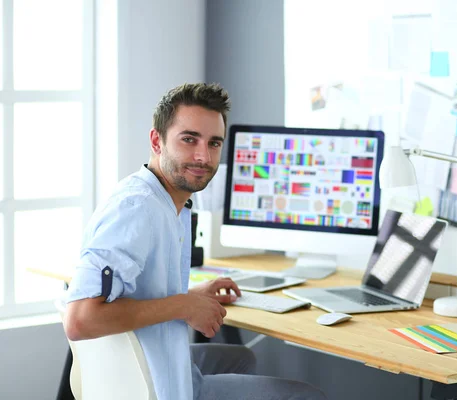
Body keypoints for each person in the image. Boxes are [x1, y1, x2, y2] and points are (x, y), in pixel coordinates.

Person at [64, 83, 327, 400]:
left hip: (147, 364)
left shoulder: (168, 203)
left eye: (214, 143)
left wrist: (189, 296)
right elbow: (80, 320)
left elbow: (134, 291)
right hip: (156, 389)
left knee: (242, 357)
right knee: (307, 396)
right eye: (189, 139)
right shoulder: (137, 209)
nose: (203, 156)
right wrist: (182, 305)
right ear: (156, 141)